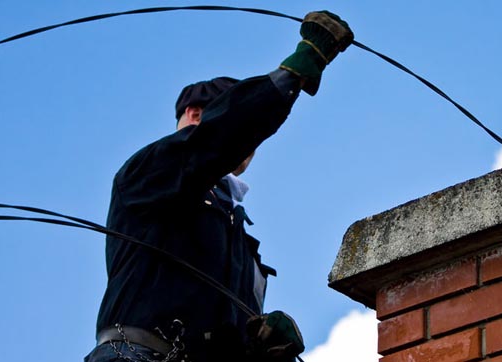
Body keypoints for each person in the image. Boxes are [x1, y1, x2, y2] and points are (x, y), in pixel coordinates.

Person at [85, 11, 353, 362]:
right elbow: (214, 141)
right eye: (247, 129)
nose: (250, 144)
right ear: (194, 117)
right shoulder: (147, 174)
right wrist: (295, 71)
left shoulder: (241, 247)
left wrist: (264, 347)